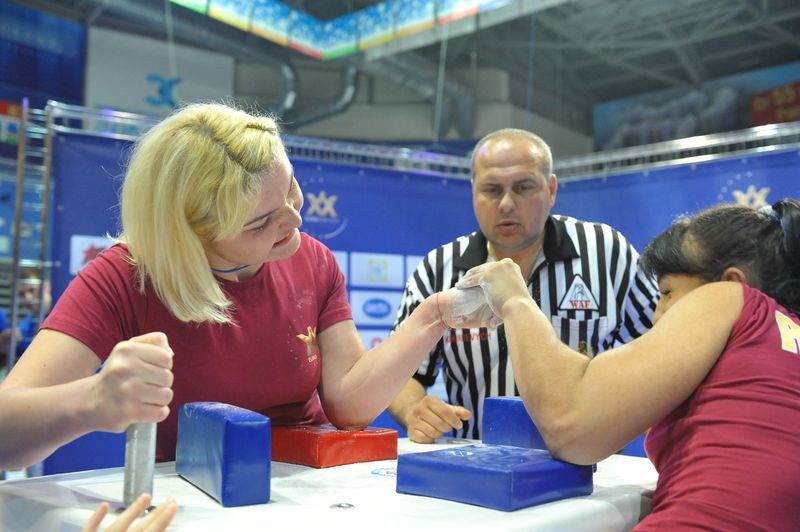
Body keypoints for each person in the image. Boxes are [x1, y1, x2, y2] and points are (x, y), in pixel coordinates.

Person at [0, 102, 488, 469]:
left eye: (292, 188)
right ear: (190, 236)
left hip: (309, 494)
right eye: (260, 223)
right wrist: (90, 401)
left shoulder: (313, 261)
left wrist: (433, 317)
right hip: (201, 500)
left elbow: (350, 405)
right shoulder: (126, 277)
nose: (295, 221)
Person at [458, 199, 800, 529]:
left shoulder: (728, 297)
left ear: (731, 283)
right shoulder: (779, 339)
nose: (657, 314)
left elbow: (571, 424)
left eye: (667, 293)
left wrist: (515, 301)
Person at [389, 128, 659, 442]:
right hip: (476, 460)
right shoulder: (438, 270)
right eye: (492, 189)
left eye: (523, 187)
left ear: (551, 189)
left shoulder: (607, 253)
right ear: (473, 192)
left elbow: (658, 355)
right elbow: (396, 373)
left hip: (588, 460)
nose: (506, 203)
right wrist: (413, 409)